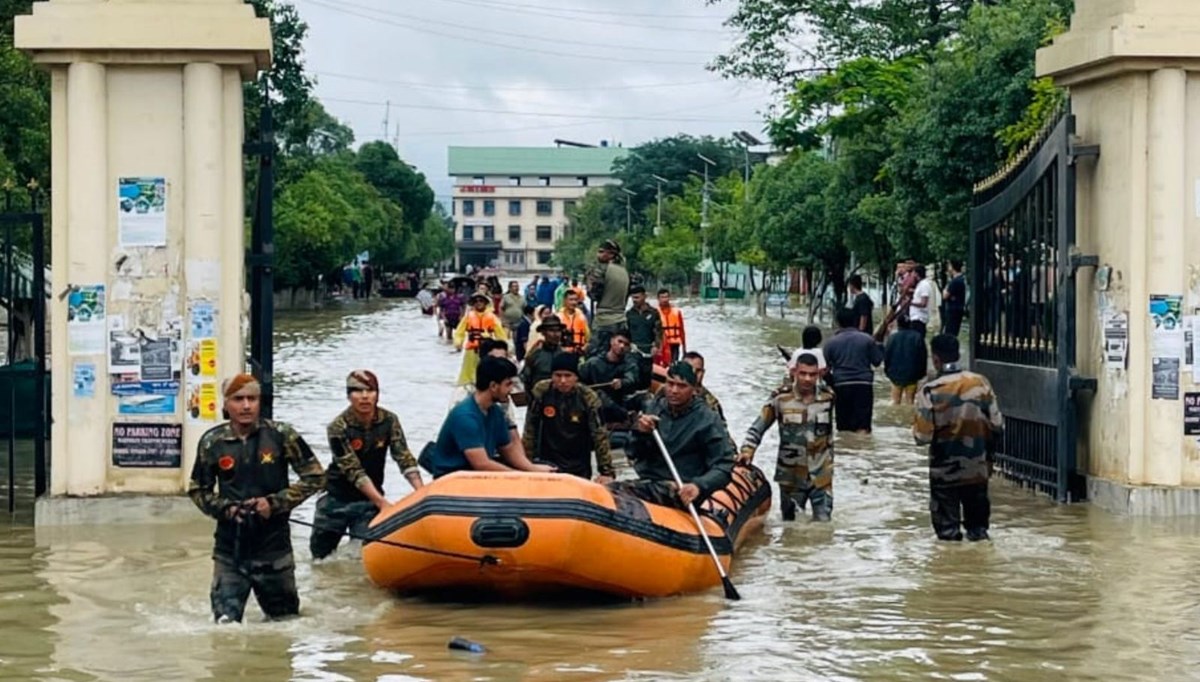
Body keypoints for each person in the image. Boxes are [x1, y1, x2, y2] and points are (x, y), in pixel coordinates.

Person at [187, 373, 324, 623]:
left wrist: (274, 504)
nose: (246, 405)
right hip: (230, 551)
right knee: (225, 628)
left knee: (285, 625)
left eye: (252, 398)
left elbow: (315, 477)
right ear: (226, 404)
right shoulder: (212, 442)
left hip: (274, 549)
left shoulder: (282, 435)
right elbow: (198, 490)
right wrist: (225, 509)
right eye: (239, 399)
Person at [311, 370, 423, 560]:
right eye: (357, 391)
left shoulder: (389, 420)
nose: (364, 397)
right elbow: (353, 470)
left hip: (369, 503)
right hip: (336, 500)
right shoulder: (338, 427)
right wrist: (383, 504)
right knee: (320, 559)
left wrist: (421, 493)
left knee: (362, 558)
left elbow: (403, 456)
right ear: (348, 396)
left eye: (370, 390)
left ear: (377, 394)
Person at [913, 335, 1005, 541]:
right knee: (979, 534)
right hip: (978, 468)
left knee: (947, 537)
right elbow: (997, 424)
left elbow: (922, 437)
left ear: (935, 359)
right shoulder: (980, 383)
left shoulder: (930, 390)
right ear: (958, 354)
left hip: (944, 472)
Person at [607, 362, 734, 509]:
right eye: (670, 384)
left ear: (693, 389)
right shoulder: (654, 407)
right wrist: (641, 433)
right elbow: (632, 452)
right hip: (649, 482)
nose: (674, 390)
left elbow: (724, 465)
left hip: (682, 488)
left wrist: (698, 485)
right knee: (609, 489)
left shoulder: (707, 419)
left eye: (681, 386)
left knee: (654, 490)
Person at [738, 352, 835, 521]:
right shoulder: (780, 398)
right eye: (803, 373)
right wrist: (747, 450)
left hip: (821, 475)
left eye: (812, 375)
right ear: (794, 372)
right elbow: (758, 427)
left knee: (824, 525)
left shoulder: (828, 397)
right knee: (791, 528)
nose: (807, 379)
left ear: (819, 374)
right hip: (791, 477)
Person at [423, 357, 556, 478]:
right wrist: (520, 476)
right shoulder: (465, 417)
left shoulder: (495, 411)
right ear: (493, 386)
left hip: (474, 475)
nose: (511, 390)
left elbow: (508, 448)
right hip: (453, 477)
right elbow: (481, 464)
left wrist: (532, 469)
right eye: (508, 384)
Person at [523, 353, 614, 482]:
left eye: (568, 376)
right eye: (558, 375)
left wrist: (606, 471)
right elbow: (530, 428)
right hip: (547, 460)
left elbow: (599, 435)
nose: (563, 381)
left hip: (578, 461)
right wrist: (526, 463)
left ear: (576, 377)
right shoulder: (542, 391)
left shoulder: (588, 397)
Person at [823, 307, 883, 433]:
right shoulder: (867, 340)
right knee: (863, 427)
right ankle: (862, 452)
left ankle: (846, 451)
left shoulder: (830, 343)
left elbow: (825, 369)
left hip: (841, 386)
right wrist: (880, 344)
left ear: (838, 322)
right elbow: (877, 362)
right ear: (855, 320)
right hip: (863, 386)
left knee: (843, 428)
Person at [584, 239, 631, 358]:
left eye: (601, 251)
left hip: (604, 321)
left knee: (595, 355)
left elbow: (594, 294)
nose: (598, 255)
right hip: (621, 320)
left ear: (610, 254)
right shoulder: (624, 271)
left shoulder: (600, 270)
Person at [579, 329, 639, 421]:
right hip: (593, 404)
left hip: (618, 402)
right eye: (620, 341)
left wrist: (622, 383)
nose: (622, 346)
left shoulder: (629, 364)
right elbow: (579, 381)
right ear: (611, 341)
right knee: (599, 395)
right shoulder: (594, 363)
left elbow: (631, 379)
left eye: (626, 344)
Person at [453, 292, 507, 385]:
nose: (478, 303)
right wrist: (458, 342)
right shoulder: (468, 316)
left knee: (487, 370)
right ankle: (467, 385)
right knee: (468, 372)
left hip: (487, 348)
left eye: (481, 301)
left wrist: (504, 348)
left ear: (485, 303)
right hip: (472, 349)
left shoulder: (492, 317)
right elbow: (459, 331)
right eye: (476, 301)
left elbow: (500, 334)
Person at [883, 317, 928, 405]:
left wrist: (887, 372)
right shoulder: (918, 337)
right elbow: (923, 357)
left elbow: (887, 356)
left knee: (895, 402)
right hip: (912, 375)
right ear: (910, 324)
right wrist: (922, 373)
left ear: (898, 325)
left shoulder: (892, 338)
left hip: (896, 375)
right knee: (910, 402)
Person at [520, 314, 566, 391]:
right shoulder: (534, 355)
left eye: (558, 330)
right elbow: (526, 380)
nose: (556, 334)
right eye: (551, 330)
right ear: (543, 333)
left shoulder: (565, 356)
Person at [657, 289, 686, 365]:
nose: (665, 299)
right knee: (663, 364)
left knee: (674, 364)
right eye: (662, 297)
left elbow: (682, 331)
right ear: (658, 299)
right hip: (661, 345)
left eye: (666, 297)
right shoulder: (655, 312)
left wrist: (684, 348)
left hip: (674, 344)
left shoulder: (676, 312)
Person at [558, 290, 590, 355]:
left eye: (575, 300)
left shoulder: (581, 316)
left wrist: (585, 347)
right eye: (571, 300)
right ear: (565, 301)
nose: (574, 302)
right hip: (562, 353)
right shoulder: (558, 317)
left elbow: (588, 337)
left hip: (579, 352)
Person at [941, 260, 967, 338]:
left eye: (949, 266)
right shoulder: (961, 279)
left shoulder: (955, 281)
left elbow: (945, 295)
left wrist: (945, 290)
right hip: (958, 308)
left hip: (953, 309)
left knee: (950, 331)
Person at [907, 264, 933, 337]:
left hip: (919, 318)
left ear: (916, 274)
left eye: (913, 273)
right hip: (915, 317)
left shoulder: (924, 285)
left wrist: (910, 303)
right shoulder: (920, 284)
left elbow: (923, 303)